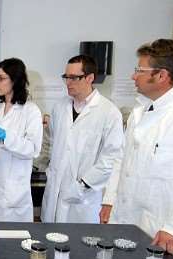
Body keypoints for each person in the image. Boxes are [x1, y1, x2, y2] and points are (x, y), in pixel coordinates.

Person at [100, 39, 173, 259]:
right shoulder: (141, 111)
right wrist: (110, 200)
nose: (133, 76)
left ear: (161, 75)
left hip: (166, 233)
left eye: (139, 70)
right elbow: (122, 160)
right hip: (128, 220)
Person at [41, 55, 124, 223]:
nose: (68, 82)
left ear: (90, 78)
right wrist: (49, 170)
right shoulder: (59, 107)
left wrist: (83, 185)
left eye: (74, 77)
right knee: (48, 240)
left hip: (84, 197)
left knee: (77, 244)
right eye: (66, 77)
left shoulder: (109, 112)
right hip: (55, 192)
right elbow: (50, 143)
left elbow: (111, 158)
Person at [0, 58, 43, 222]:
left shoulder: (31, 111)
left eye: (1, 78)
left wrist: (7, 138)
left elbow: (33, 149)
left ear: (16, 80)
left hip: (14, 193)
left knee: (11, 243)